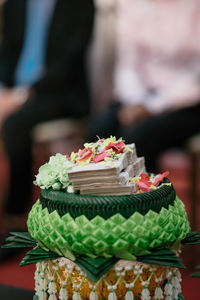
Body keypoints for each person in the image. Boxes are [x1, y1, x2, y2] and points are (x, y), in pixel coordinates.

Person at [0, 0, 94, 246]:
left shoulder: (79, 5)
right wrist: (6, 92)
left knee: (15, 126)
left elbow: (68, 63)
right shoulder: (14, 5)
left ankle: (15, 218)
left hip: (60, 94)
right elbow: (7, 54)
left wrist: (21, 96)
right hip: (15, 93)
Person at [90, 0, 200, 172]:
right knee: (99, 133)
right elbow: (128, 64)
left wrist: (152, 106)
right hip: (138, 95)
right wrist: (135, 101)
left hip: (184, 101)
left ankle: (150, 196)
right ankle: (102, 197)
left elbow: (195, 72)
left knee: (137, 141)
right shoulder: (131, 4)